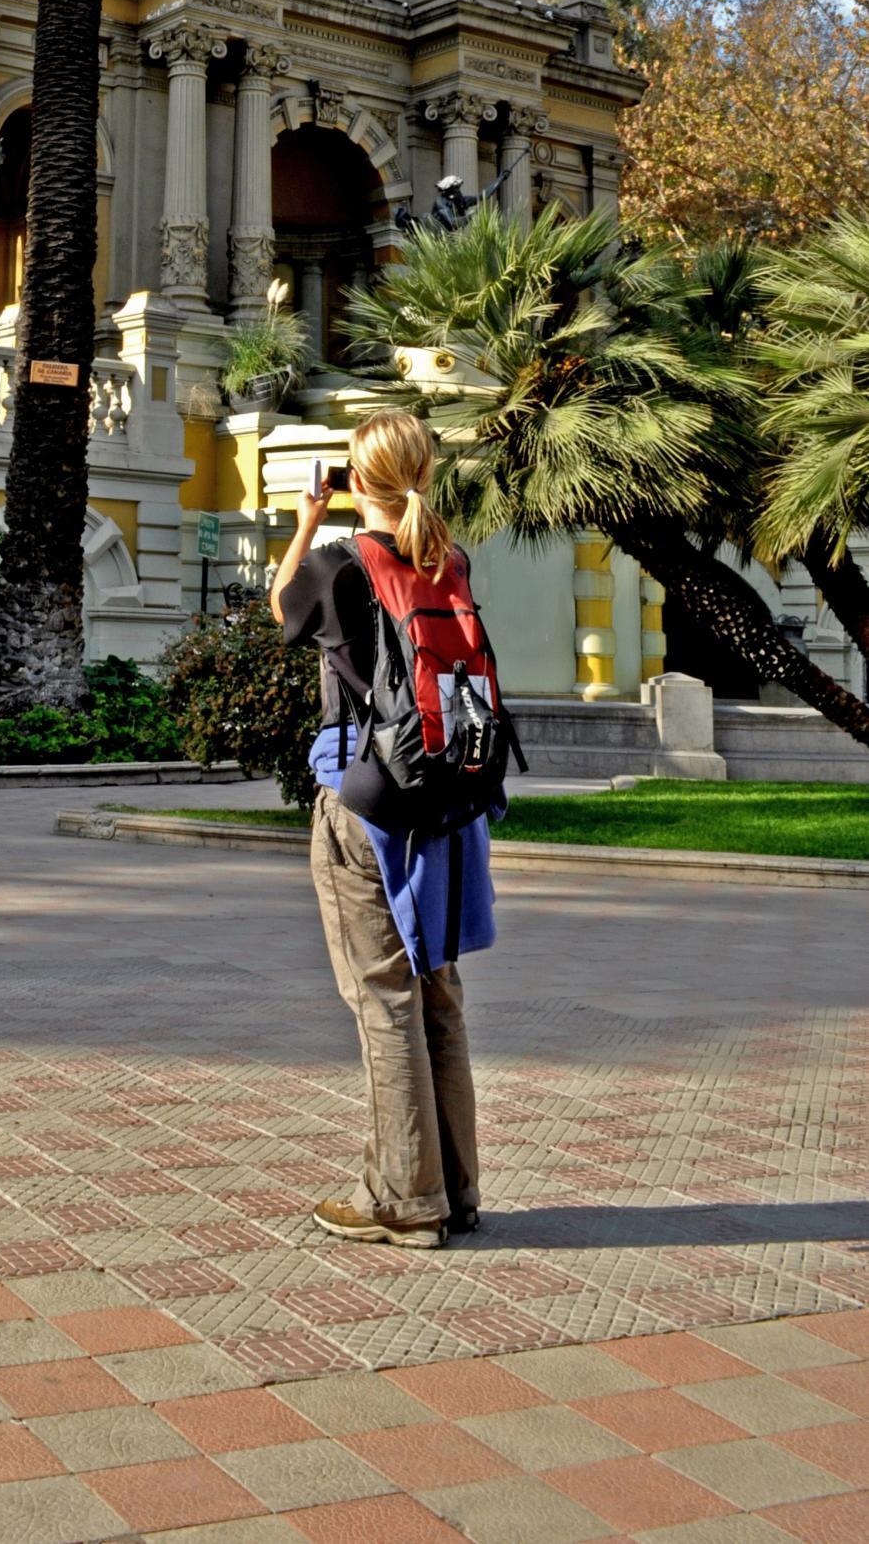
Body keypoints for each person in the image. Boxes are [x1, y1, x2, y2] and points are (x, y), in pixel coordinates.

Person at [270, 408, 497, 1250]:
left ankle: (402, 1198)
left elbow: (278, 609)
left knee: (382, 996)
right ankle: (456, 1189)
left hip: (364, 803)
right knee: (437, 991)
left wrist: (304, 525)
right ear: (425, 476)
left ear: (354, 482)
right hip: (447, 804)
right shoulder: (451, 560)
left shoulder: (337, 566)